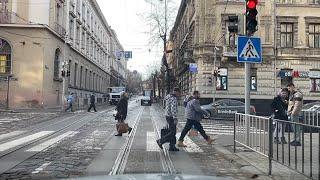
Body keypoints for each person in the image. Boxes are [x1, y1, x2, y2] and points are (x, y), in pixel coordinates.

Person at [156, 87, 181, 151]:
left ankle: (172, 146)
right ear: (176, 92)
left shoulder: (168, 96)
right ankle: (160, 141)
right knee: (173, 132)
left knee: (171, 131)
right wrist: (175, 118)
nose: (179, 94)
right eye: (179, 93)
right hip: (171, 117)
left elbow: (164, 105)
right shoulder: (174, 98)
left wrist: (166, 111)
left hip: (167, 115)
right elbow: (173, 109)